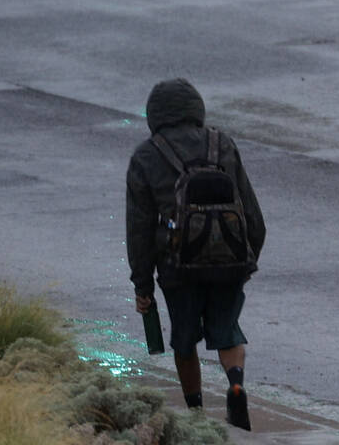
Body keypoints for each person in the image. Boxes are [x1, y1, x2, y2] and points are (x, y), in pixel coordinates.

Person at [126, 78, 266, 430]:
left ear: (154, 115)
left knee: (184, 339)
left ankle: (196, 414)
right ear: (196, 109)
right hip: (229, 262)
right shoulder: (222, 144)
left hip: (178, 267)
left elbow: (139, 228)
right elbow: (251, 213)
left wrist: (142, 285)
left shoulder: (146, 155)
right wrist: (246, 260)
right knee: (228, 331)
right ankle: (235, 385)